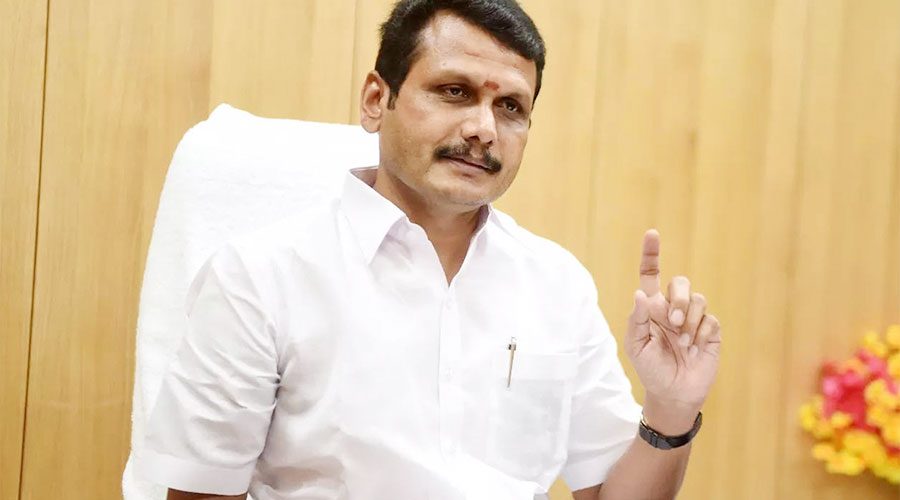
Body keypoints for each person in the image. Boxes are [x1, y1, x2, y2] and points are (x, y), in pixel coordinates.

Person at [137, 1, 722, 499]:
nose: (484, 129)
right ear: (376, 99)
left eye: (511, 107)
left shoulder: (558, 284)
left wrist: (670, 408)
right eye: (454, 91)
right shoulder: (260, 277)